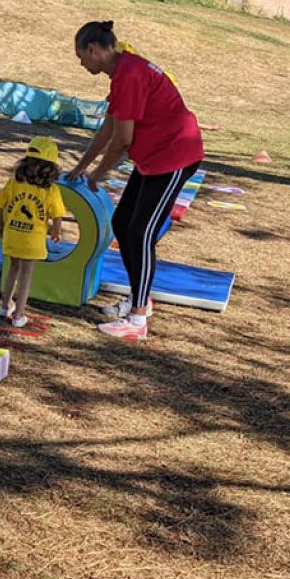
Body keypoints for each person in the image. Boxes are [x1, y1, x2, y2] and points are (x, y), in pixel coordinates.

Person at [68, 21, 204, 342]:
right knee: (123, 221)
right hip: (154, 156)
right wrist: (82, 166)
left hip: (174, 155)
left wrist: (98, 174)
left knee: (140, 231)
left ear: (94, 49)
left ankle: (138, 318)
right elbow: (109, 128)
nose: (81, 63)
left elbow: (122, 140)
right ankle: (139, 298)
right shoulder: (122, 73)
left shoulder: (129, 74)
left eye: (80, 56)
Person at [0, 136, 66, 328]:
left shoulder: (13, 184)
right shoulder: (51, 190)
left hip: (13, 234)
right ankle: (18, 315)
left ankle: (4, 306)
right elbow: (57, 214)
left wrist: (0, 226)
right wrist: (57, 231)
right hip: (32, 240)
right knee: (26, 276)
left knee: (12, 269)